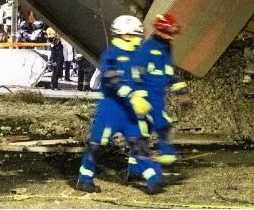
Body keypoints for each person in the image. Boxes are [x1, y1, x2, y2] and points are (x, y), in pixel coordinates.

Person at [75, 15, 163, 195]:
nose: (139, 38)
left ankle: (153, 179)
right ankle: (85, 179)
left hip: (131, 112)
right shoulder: (111, 55)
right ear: (125, 35)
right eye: (136, 35)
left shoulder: (138, 55)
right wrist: (133, 97)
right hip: (110, 111)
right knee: (96, 145)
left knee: (139, 144)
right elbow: (113, 81)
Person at [134, 13, 189, 168]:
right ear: (159, 31)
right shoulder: (148, 49)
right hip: (148, 95)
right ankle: (168, 161)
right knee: (163, 125)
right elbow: (137, 73)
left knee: (146, 130)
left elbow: (169, 72)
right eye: (169, 33)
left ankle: (136, 164)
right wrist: (139, 96)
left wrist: (181, 91)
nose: (172, 37)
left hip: (159, 95)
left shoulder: (166, 48)